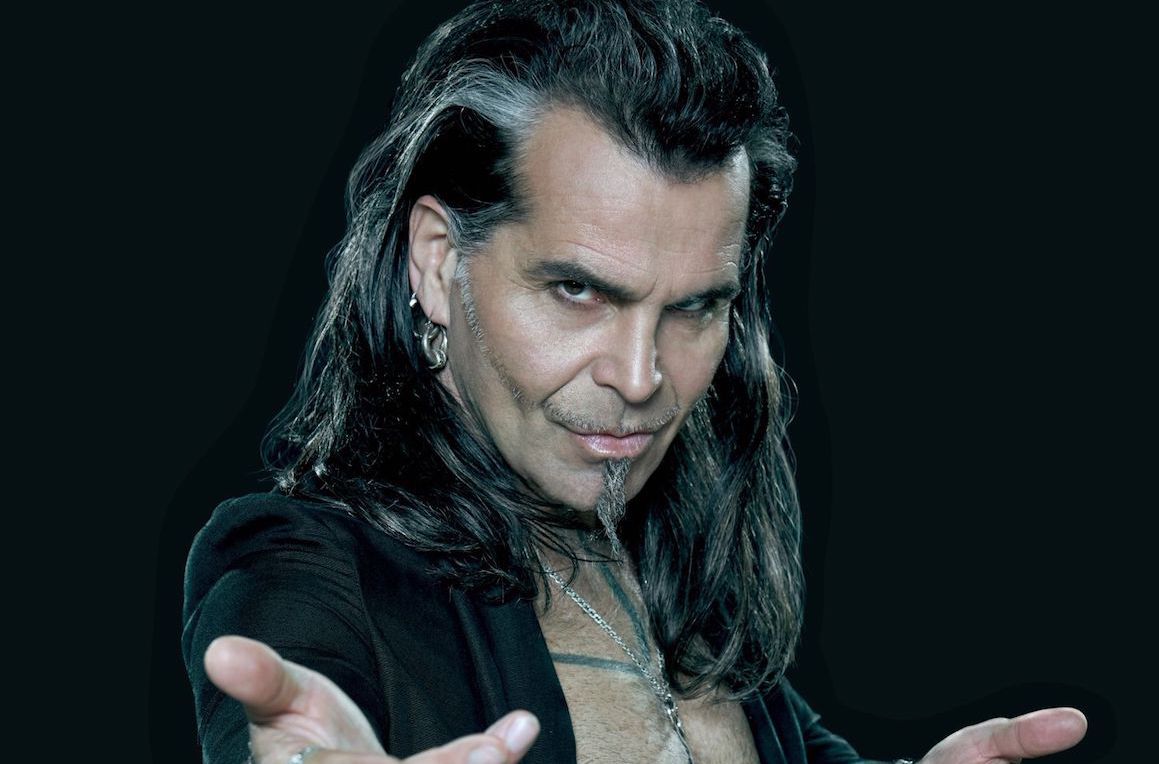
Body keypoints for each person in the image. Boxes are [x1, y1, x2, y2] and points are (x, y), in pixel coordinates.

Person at [181, 1, 1088, 762]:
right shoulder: (301, 566)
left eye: (693, 308)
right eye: (577, 291)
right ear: (436, 261)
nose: (642, 377)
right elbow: (291, 722)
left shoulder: (673, 574)